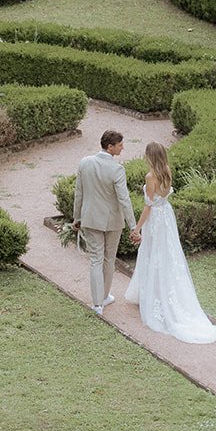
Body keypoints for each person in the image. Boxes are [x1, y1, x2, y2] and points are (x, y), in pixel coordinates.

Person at [126, 142, 216, 344]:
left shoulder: (150, 177)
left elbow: (148, 206)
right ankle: (153, 290)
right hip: (166, 215)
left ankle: (153, 294)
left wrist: (137, 228)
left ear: (149, 156)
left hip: (156, 218)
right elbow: (162, 198)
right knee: (166, 254)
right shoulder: (166, 170)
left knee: (152, 254)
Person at [72, 129, 139, 315]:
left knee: (95, 260)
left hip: (90, 219)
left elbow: (79, 193)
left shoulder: (85, 163)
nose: (122, 147)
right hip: (112, 221)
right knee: (108, 260)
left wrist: (76, 217)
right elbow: (124, 200)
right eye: (120, 145)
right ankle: (104, 297)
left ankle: (97, 305)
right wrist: (133, 226)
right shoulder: (117, 169)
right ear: (110, 147)